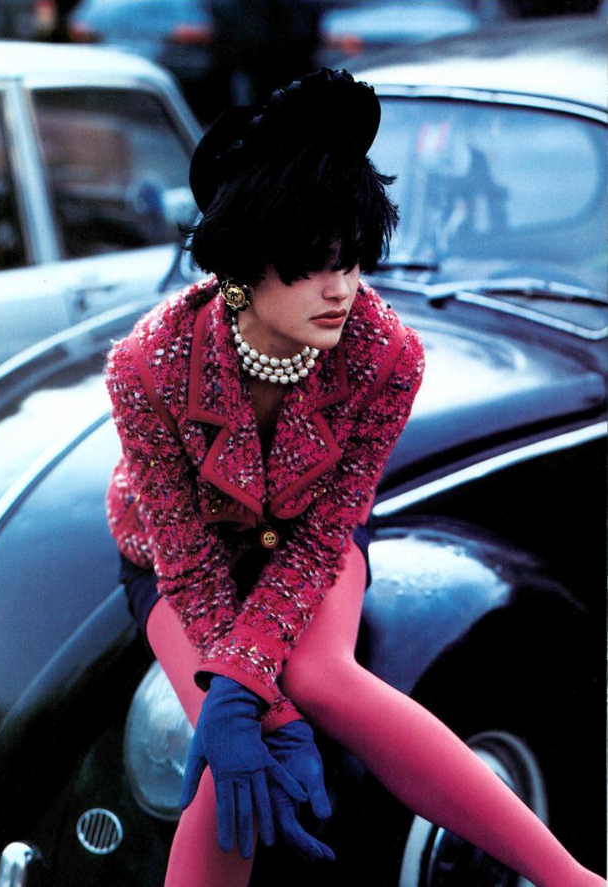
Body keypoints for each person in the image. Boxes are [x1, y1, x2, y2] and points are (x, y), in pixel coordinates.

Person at [105, 69, 605, 887]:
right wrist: (243, 697)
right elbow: (185, 559)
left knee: (322, 676)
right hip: (176, 558)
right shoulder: (147, 363)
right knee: (227, 752)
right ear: (244, 264)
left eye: (352, 260)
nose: (340, 289)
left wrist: (257, 674)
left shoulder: (388, 354)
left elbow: (326, 530)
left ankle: (572, 879)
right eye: (311, 265)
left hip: (312, 535)